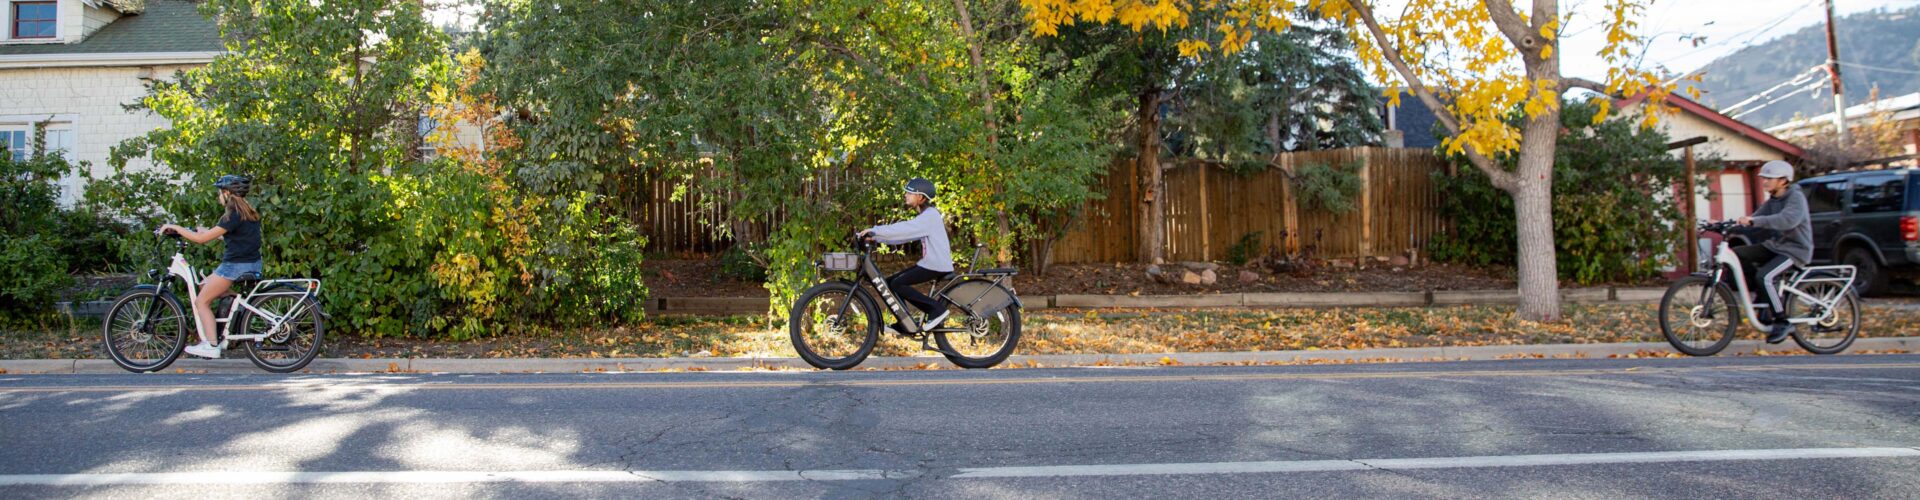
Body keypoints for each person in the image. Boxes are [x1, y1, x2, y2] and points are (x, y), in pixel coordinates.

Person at [154, 175, 263, 359]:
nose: (218, 196)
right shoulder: (246, 211)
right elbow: (237, 237)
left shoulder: (232, 214)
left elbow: (201, 240)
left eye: (220, 192)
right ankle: (237, 303)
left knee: (201, 302)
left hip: (234, 266)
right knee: (204, 287)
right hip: (248, 262)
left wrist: (176, 227)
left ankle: (212, 345)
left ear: (227, 193)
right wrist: (207, 231)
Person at [859, 178, 953, 334]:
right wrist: (875, 237)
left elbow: (904, 229)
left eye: (910, 193)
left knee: (897, 284)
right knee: (889, 283)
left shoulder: (930, 216)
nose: (906, 195)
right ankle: (906, 322)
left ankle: (936, 309)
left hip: (936, 264)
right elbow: (904, 236)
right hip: (930, 263)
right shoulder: (926, 215)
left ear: (921, 198)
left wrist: (876, 230)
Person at [1735, 160, 1812, 344]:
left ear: (1784, 181)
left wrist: (1754, 222)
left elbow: (1787, 220)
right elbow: (1755, 219)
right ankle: (1763, 300)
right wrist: (1726, 224)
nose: (1765, 182)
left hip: (1796, 250)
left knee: (1765, 276)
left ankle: (1782, 320)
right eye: (1764, 178)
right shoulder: (1773, 200)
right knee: (1739, 254)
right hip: (1777, 246)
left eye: (1769, 178)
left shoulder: (1796, 197)